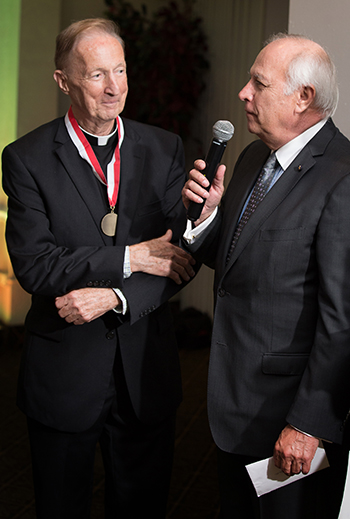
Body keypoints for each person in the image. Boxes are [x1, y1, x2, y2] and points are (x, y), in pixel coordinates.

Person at [2, 18, 196, 519]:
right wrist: (130, 257)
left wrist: (116, 295)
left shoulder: (164, 148)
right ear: (63, 80)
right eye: (95, 76)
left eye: (121, 70)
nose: (114, 88)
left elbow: (179, 259)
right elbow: (36, 267)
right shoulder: (25, 159)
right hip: (63, 380)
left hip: (145, 379)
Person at [182, 33, 350, 519]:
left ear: (303, 98)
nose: (242, 93)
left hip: (292, 424)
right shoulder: (255, 156)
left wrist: (308, 423)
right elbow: (239, 265)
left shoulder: (341, 177)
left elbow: (342, 322)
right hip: (232, 405)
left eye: (258, 83)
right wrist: (210, 217)